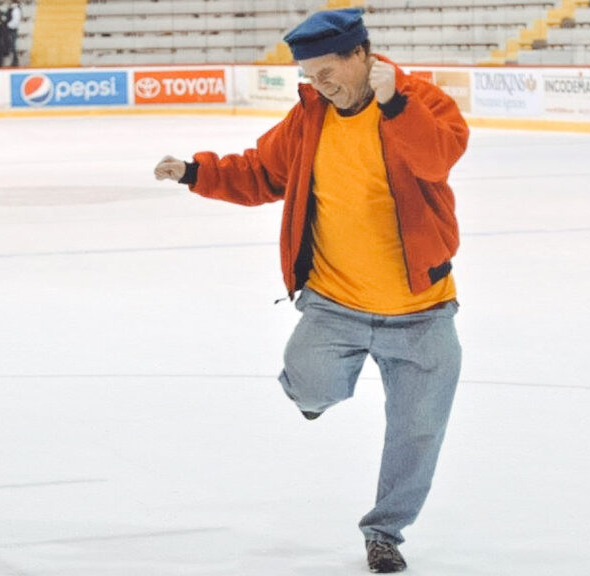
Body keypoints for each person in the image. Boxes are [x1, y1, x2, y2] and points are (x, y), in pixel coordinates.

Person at [154, 8, 468, 574]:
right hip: (334, 303)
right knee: (310, 385)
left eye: (327, 72)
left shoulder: (421, 101)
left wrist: (396, 105)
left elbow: (438, 158)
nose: (318, 86)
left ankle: (384, 533)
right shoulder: (310, 118)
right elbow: (259, 172)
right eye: (308, 76)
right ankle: (311, 397)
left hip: (422, 313)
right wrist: (196, 172)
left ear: (361, 55)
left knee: (417, 435)